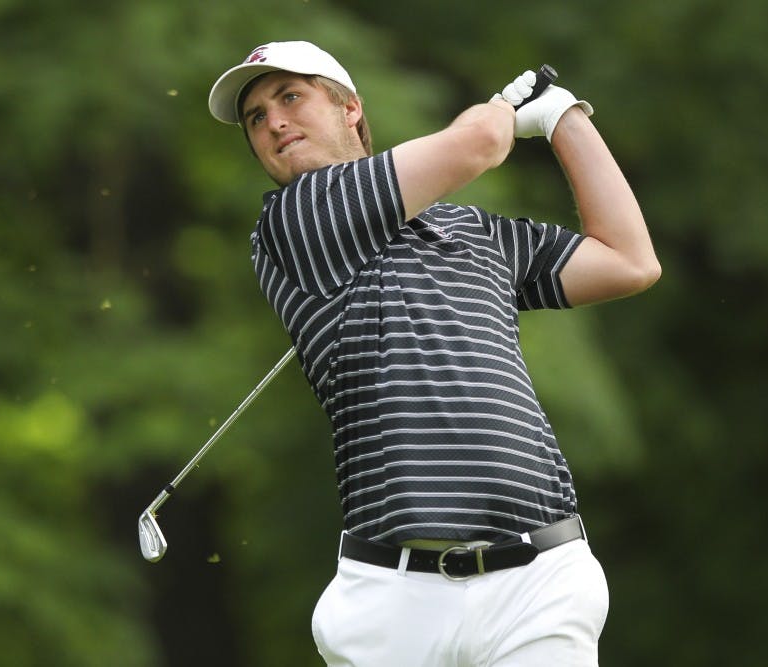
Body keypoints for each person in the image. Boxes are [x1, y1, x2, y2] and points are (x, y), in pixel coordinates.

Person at [208, 40, 660, 666]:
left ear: (351, 112)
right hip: (394, 603)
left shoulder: (472, 231)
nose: (274, 122)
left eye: (290, 97)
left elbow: (629, 261)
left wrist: (563, 118)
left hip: (539, 579)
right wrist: (503, 110)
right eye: (256, 117)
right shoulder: (295, 220)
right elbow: (477, 143)